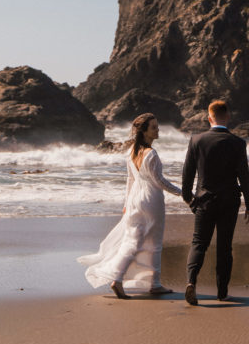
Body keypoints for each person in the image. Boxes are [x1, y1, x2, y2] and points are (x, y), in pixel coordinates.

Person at [78, 113, 182, 298]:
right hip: (151, 199)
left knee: (132, 240)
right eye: (154, 127)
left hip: (135, 198)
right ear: (144, 131)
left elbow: (130, 179)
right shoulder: (151, 154)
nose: (158, 130)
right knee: (154, 242)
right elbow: (159, 181)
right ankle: (153, 284)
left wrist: (127, 203)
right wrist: (182, 193)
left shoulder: (131, 151)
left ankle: (118, 279)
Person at [181, 100, 249, 305]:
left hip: (203, 201)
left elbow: (187, 173)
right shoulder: (238, 143)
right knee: (224, 247)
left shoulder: (196, 140)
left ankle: (191, 282)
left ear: (209, 118)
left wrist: (188, 198)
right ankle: (222, 293)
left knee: (198, 243)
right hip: (229, 202)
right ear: (228, 117)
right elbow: (245, 176)